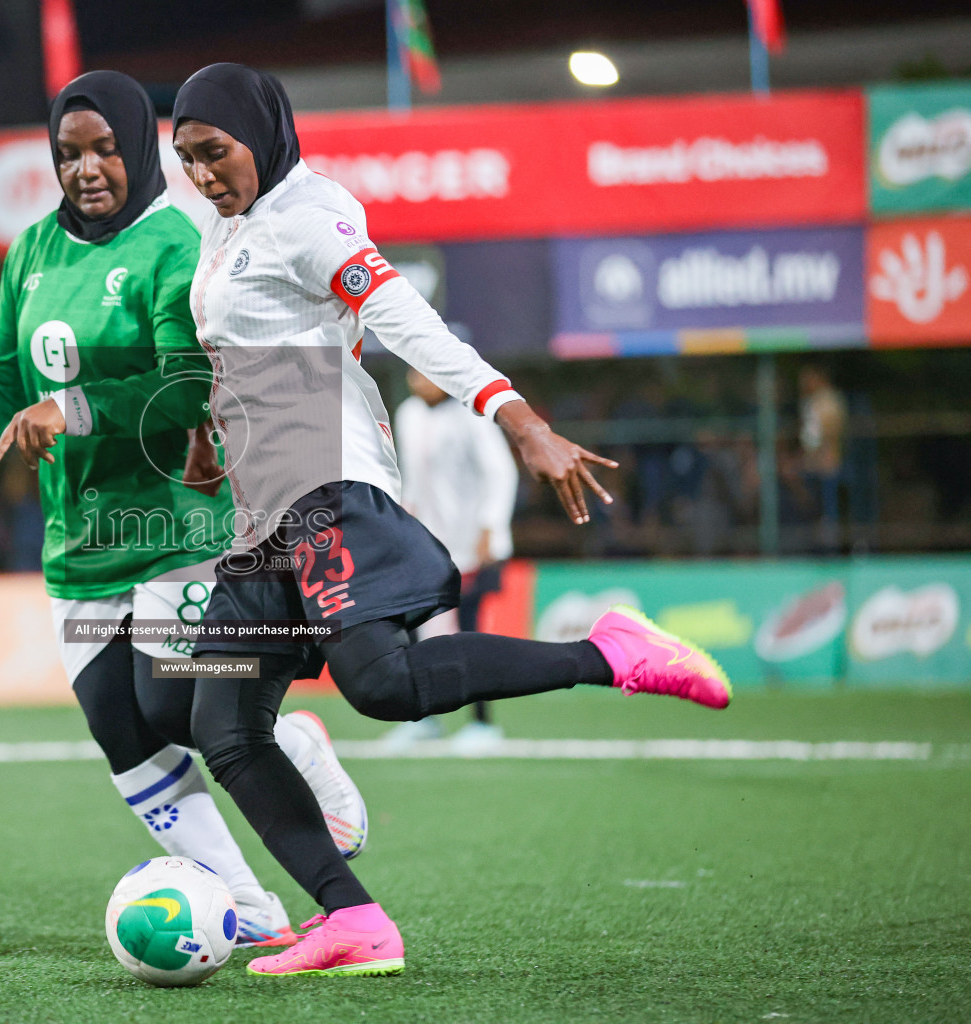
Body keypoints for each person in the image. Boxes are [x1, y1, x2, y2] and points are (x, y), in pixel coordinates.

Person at [167, 63, 732, 978]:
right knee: (223, 726)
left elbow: (402, 316)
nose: (201, 172)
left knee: (382, 685)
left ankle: (614, 654)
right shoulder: (230, 228)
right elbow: (247, 350)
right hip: (260, 503)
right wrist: (208, 433)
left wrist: (518, 417)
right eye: (186, 157)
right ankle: (354, 923)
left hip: (322, 477)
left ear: (262, 132)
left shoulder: (307, 217)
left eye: (214, 152)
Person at [0, 71, 366, 948]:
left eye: (106, 148)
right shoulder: (32, 251)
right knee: (121, 729)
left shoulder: (174, 244)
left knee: (176, 707)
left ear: (141, 147)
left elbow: (192, 386)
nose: (87, 168)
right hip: (80, 540)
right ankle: (248, 908)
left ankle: (292, 744)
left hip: (173, 528)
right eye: (69, 154)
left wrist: (69, 408)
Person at [382, 368, 518, 751]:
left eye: (425, 374)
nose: (417, 381)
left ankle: (482, 724)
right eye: (410, 374)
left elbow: (500, 472)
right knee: (413, 629)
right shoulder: (408, 414)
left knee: (469, 631)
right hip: (426, 544)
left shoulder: (470, 415)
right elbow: (407, 475)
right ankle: (424, 717)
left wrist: (491, 525)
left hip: (472, 544)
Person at [798, 365, 846, 551]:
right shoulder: (810, 400)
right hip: (812, 462)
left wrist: (824, 455)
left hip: (826, 462)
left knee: (828, 510)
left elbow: (831, 431)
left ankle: (830, 551)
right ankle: (814, 548)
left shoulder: (829, 399)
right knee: (812, 508)